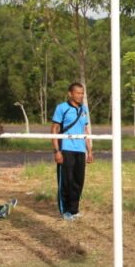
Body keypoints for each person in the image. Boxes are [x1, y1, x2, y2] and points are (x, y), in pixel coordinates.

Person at [50, 83, 93, 221]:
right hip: (66, 149)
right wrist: (56, 151)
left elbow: (85, 130)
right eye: (78, 93)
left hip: (80, 150)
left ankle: (74, 210)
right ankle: (65, 211)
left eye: (82, 93)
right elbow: (54, 129)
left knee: (78, 181)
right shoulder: (62, 108)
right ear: (70, 93)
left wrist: (89, 150)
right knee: (66, 181)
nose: (80, 96)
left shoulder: (83, 109)